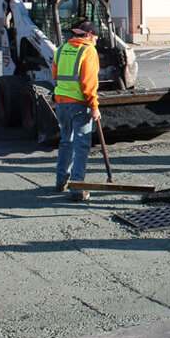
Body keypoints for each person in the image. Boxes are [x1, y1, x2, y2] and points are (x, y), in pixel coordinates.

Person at [52, 21, 101, 202]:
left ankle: (61, 181)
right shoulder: (88, 51)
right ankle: (77, 187)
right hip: (80, 104)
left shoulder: (61, 48)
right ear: (89, 35)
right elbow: (89, 84)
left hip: (61, 102)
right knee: (81, 146)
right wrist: (94, 106)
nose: (96, 41)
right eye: (95, 38)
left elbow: (55, 75)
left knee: (66, 141)